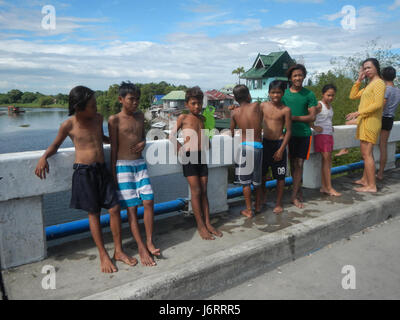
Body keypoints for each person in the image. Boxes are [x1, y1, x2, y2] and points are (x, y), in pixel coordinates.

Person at [35, 86, 137, 273]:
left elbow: (101, 138)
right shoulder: (69, 125)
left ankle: (119, 251)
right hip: (84, 172)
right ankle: (103, 254)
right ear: (78, 107)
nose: (96, 108)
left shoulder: (98, 119)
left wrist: (119, 141)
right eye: (92, 105)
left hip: (101, 170)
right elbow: (56, 145)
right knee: (94, 213)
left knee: (115, 208)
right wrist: (44, 157)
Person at [108, 81, 160, 267]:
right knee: (131, 208)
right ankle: (140, 246)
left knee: (149, 200)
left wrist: (144, 143)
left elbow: (142, 136)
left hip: (140, 164)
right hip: (123, 166)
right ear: (121, 99)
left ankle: (149, 240)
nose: (135, 103)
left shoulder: (139, 117)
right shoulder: (114, 120)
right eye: (131, 99)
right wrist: (113, 174)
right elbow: (113, 148)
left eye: (137, 99)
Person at [170, 86, 222, 240]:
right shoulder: (183, 118)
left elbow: (204, 135)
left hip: (202, 156)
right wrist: (179, 148)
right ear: (187, 104)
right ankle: (200, 225)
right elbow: (172, 135)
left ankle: (208, 222)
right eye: (193, 103)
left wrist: (207, 142)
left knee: (204, 191)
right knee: (196, 191)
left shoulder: (203, 119)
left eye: (199, 103)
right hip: (189, 156)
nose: (197, 106)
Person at [346, 58, 386, 193]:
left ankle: (372, 186)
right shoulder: (370, 85)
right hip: (365, 122)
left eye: (369, 68)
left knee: (367, 154)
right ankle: (365, 180)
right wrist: (359, 80)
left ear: (376, 68)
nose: (366, 70)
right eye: (364, 68)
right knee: (366, 154)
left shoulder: (379, 83)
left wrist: (358, 113)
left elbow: (378, 104)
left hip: (371, 122)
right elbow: (352, 96)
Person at [281, 64, 318, 208]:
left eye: (300, 75)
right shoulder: (283, 94)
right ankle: (297, 189)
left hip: (303, 134)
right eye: (295, 75)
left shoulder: (309, 94)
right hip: (287, 135)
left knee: (299, 163)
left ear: (304, 76)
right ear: (290, 78)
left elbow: (312, 117)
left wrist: (293, 118)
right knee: (292, 164)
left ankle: (294, 196)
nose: (298, 78)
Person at [230, 84, 263, 218]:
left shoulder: (234, 112)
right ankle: (258, 205)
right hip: (258, 146)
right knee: (257, 181)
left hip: (244, 147)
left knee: (245, 183)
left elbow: (232, 132)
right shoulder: (256, 106)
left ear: (236, 99)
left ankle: (249, 210)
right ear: (248, 95)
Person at [260, 80, 292, 214]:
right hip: (265, 143)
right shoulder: (263, 106)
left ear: (283, 93)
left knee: (280, 177)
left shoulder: (286, 110)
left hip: (278, 144)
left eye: (278, 92)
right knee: (262, 175)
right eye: (273, 92)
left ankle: (278, 203)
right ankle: (262, 198)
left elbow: (289, 131)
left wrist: (281, 149)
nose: (275, 95)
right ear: (268, 93)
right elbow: (251, 115)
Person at [312, 84, 341, 196]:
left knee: (327, 162)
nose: (330, 97)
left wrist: (330, 126)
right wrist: (314, 127)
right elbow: (309, 115)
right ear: (323, 94)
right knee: (327, 162)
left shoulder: (329, 106)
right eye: (328, 95)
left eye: (332, 95)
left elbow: (326, 119)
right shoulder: (319, 105)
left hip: (328, 135)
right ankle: (329, 187)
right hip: (322, 136)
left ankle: (324, 187)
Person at [376, 66, 400, 180]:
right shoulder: (397, 90)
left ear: (382, 76)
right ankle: (381, 173)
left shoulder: (386, 89)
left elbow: (382, 104)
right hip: (390, 119)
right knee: (383, 146)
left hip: (381, 118)